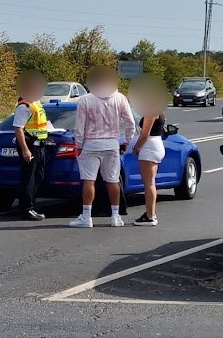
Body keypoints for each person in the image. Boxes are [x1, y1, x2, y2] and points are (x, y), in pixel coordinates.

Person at [68, 66, 135, 228]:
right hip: (112, 143)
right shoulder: (120, 98)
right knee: (112, 180)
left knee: (89, 180)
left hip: (91, 143)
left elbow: (80, 126)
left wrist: (78, 145)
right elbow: (130, 123)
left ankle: (86, 216)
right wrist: (126, 141)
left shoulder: (85, 100)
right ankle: (115, 216)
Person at [10, 71, 57, 221]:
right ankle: (26, 208)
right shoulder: (25, 106)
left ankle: (30, 206)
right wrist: (25, 150)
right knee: (28, 179)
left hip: (40, 145)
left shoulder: (36, 103)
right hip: (31, 146)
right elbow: (18, 128)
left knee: (38, 176)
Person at [129, 94, 169, 226]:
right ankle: (150, 214)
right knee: (150, 182)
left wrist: (136, 148)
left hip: (150, 146)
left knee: (149, 183)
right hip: (156, 144)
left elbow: (145, 134)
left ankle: (150, 216)